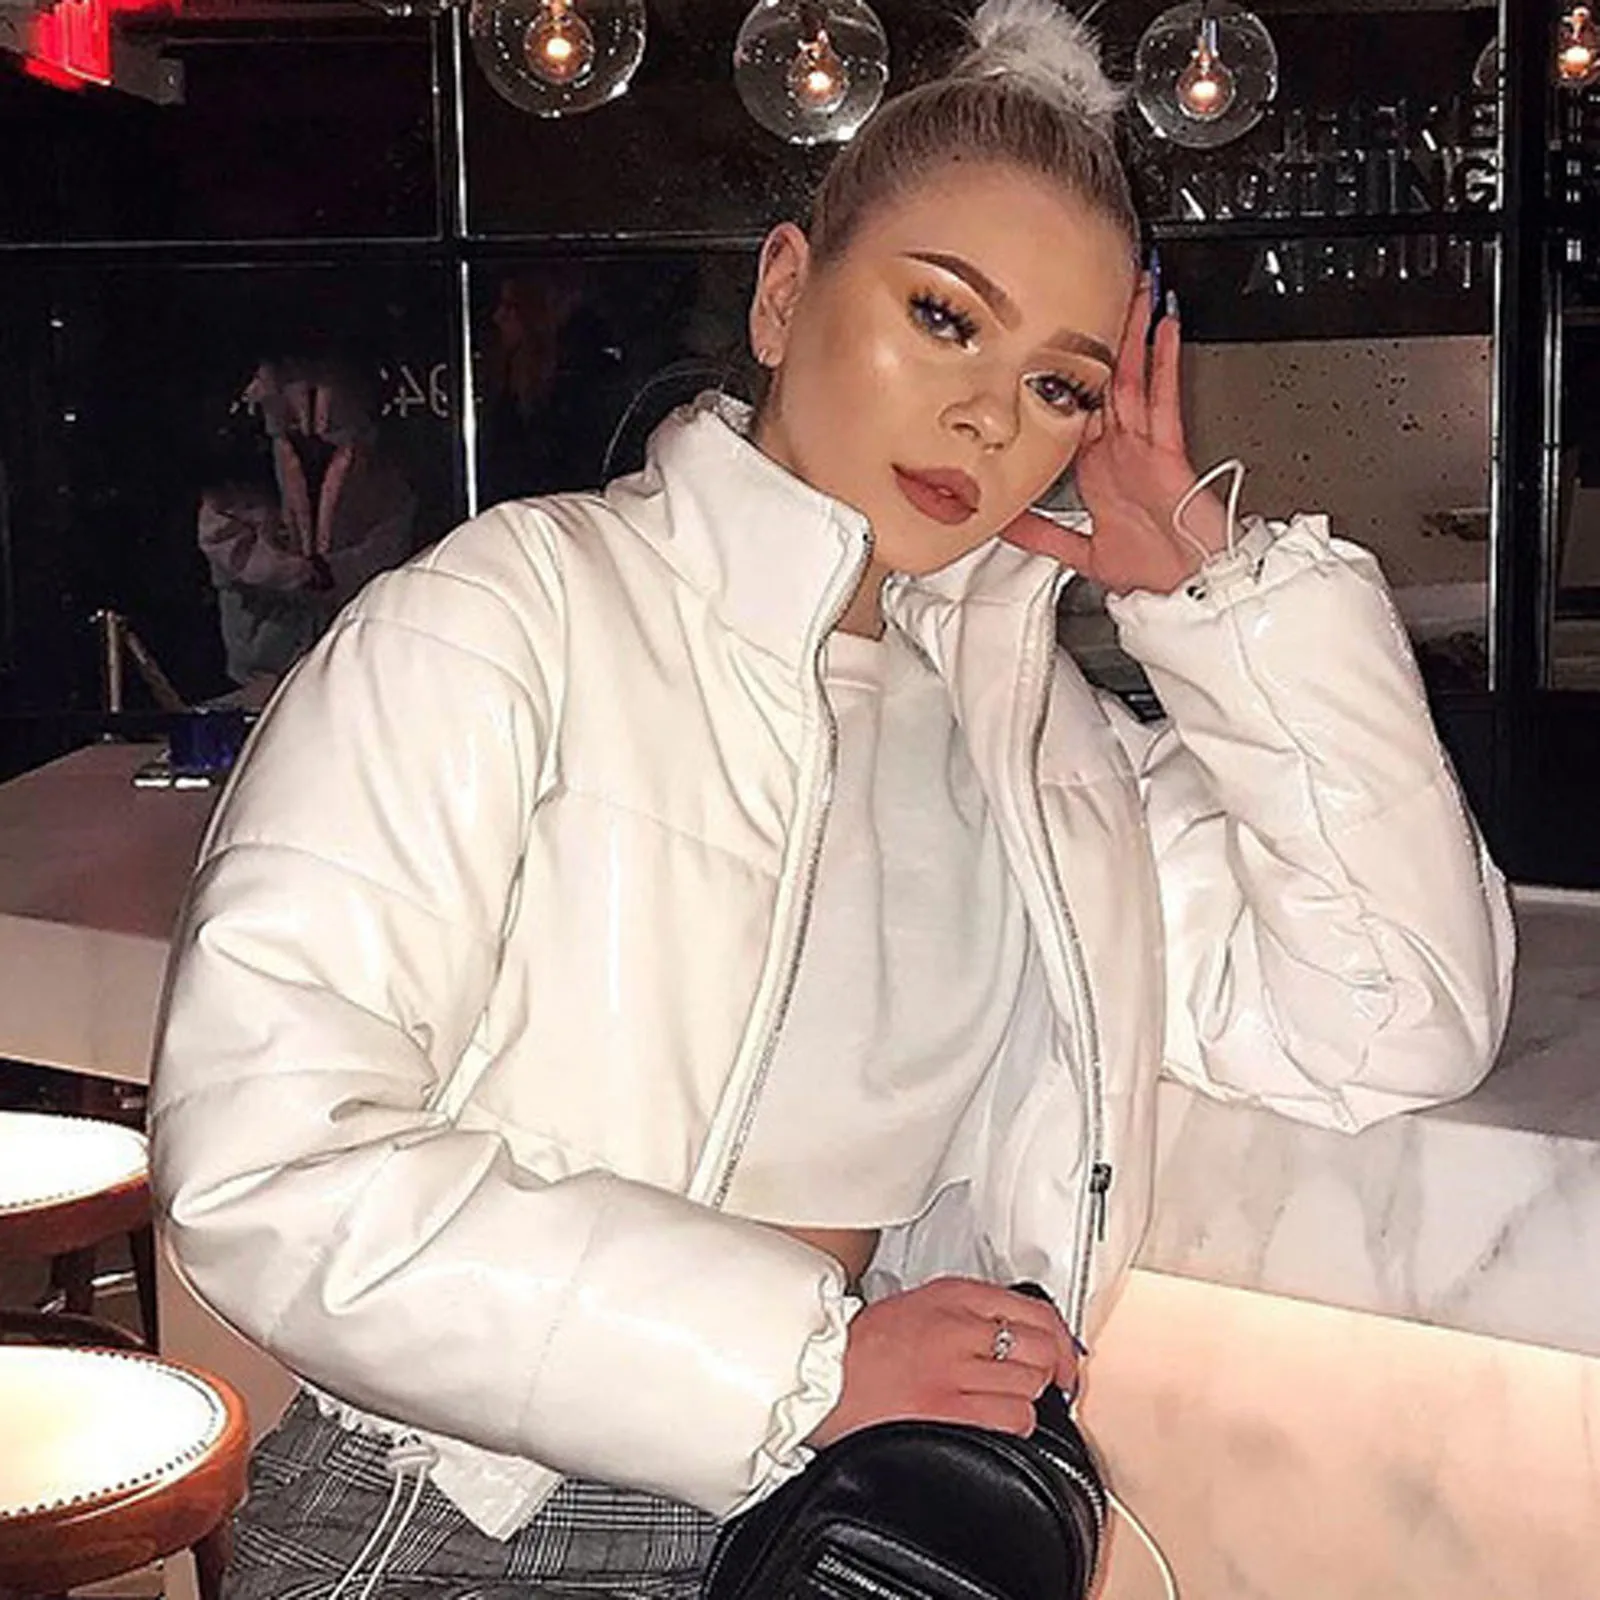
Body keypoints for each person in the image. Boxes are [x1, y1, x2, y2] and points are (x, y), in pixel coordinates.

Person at [150, 2, 1515, 1595]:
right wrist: (800, 1363)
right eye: (944, 317)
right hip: (473, 1516)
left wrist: (1216, 595)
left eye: (1061, 386)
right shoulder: (515, 610)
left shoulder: (1035, 745)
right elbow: (268, 1162)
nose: (990, 416)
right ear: (786, 291)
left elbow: (1395, 1017)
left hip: (843, 1515)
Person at [197, 352, 417, 690]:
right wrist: (296, 573)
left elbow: (388, 546)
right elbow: (225, 540)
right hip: (261, 664)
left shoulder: (378, 475)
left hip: (352, 662)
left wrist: (330, 572)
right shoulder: (240, 466)